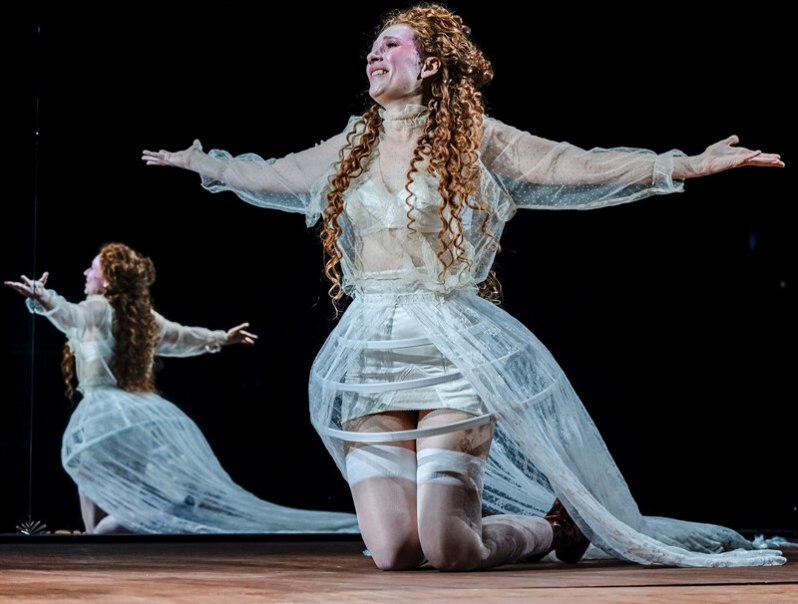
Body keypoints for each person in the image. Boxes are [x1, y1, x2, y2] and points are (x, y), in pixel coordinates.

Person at [141, 4, 786, 568]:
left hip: (451, 354)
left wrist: (683, 165)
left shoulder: (475, 139)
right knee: (394, 553)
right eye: (374, 44)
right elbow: (273, 176)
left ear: (428, 66)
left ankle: (551, 527)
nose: (375, 52)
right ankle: (522, 526)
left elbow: (574, 165)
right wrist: (202, 163)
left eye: (392, 44)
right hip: (370, 354)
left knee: (449, 549)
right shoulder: (352, 147)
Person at [5, 242, 360, 535]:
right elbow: (183, 336)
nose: (86, 273)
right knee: (97, 493)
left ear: (109, 279)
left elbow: (71, 314)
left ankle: (153, 522)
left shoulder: (97, 308)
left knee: (91, 477)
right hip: (138, 413)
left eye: (93, 268)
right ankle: (141, 522)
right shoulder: (143, 319)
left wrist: (45, 298)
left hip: (106, 412)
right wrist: (222, 338)